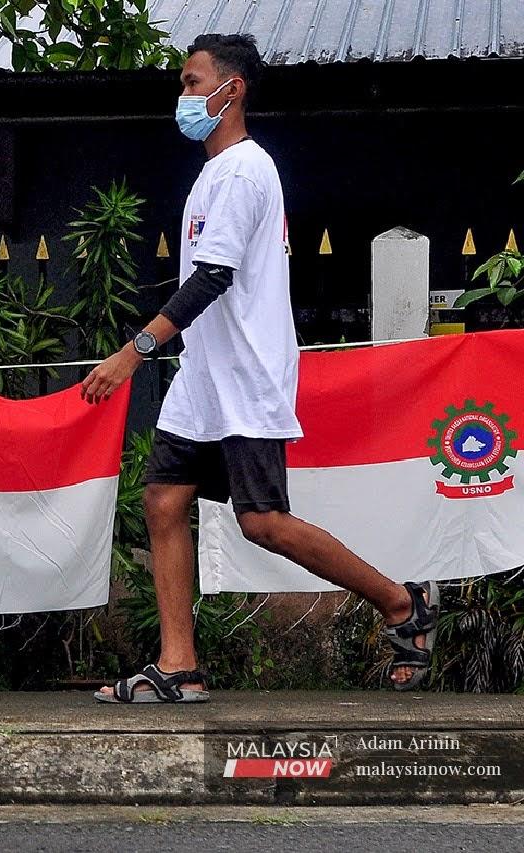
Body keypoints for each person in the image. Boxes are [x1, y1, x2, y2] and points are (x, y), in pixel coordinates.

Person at [83, 33, 438, 704]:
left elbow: (212, 277)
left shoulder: (247, 170)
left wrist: (134, 352)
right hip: (202, 378)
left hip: (245, 378)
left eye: (193, 83)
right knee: (163, 499)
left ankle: (401, 602)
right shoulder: (211, 175)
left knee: (263, 520)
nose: (184, 96)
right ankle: (179, 665)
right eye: (183, 85)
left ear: (232, 89)